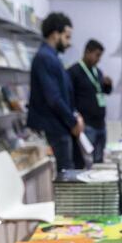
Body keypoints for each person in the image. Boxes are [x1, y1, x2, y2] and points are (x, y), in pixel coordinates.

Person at [28, 12, 84, 171]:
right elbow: (53, 97)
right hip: (56, 126)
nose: (69, 43)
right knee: (66, 174)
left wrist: (74, 114)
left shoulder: (51, 57)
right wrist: (72, 121)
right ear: (55, 34)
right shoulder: (45, 58)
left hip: (61, 125)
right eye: (67, 37)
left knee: (69, 171)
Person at [68, 39, 113, 163]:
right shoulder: (74, 72)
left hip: (100, 124)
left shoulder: (97, 72)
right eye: (97, 55)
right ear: (87, 52)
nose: (98, 59)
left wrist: (108, 85)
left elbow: (103, 92)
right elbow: (69, 98)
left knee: (99, 161)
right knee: (86, 162)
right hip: (86, 125)